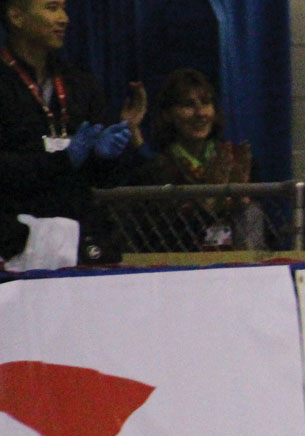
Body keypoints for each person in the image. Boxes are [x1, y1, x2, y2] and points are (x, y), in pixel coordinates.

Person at [1, 0, 147, 264]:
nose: (64, 18)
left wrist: (108, 156)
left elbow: (105, 179)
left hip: (80, 238)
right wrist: (61, 161)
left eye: (64, 8)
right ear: (16, 16)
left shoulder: (79, 83)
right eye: (51, 7)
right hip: (14, 240)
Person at [133, 67, 271, 250]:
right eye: (188, 105)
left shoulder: (238, 163)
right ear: (168, 114)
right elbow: (158, 240)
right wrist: (207, 202)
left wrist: (242, 202)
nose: (200, 113)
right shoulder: (159, 170)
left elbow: (266, 236)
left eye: (206, 103)